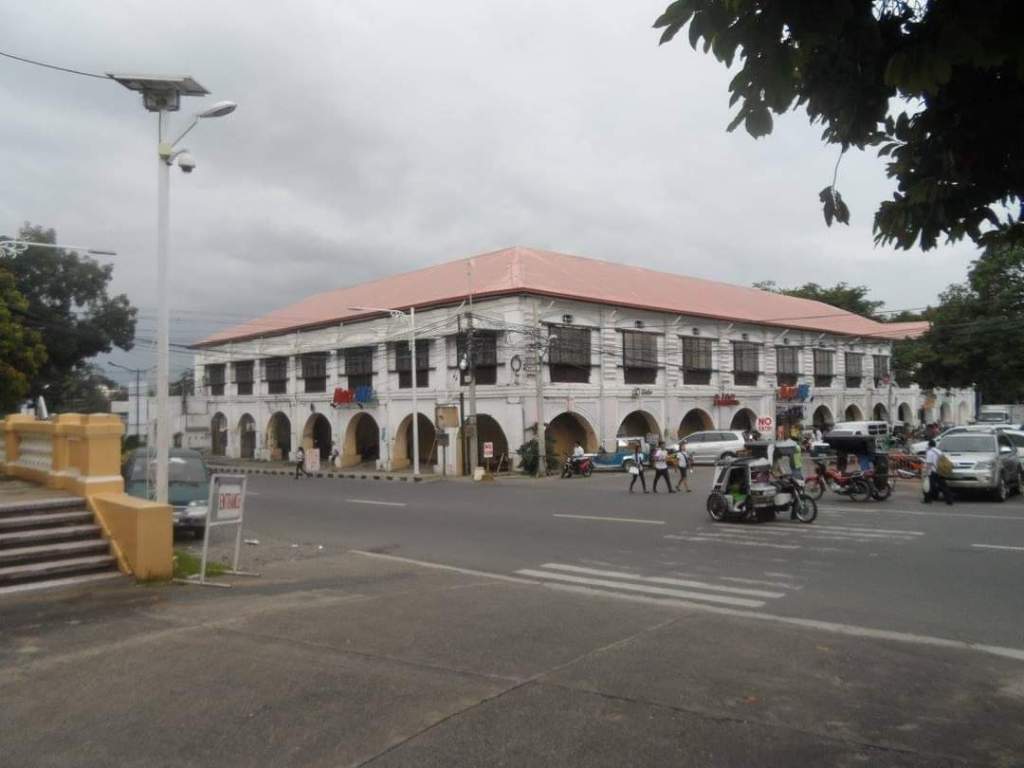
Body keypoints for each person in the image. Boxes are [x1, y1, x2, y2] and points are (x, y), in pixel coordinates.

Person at [923, 439, 953, 505]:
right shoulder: (938, 451)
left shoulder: (930, 452)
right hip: (940, 470)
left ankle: (927, 499)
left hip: (933, 471)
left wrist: (926, 472)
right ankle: (949, 500)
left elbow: (929, 463)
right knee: (944, 486)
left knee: (929, 486)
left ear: (929, 445)